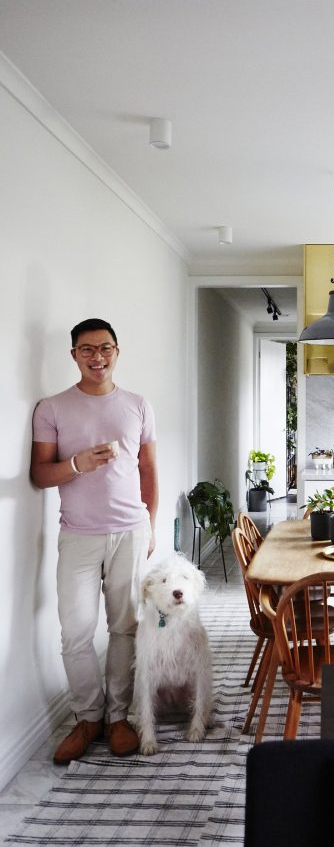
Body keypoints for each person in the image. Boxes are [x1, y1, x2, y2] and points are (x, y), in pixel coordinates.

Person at [31, 318, 158, 763]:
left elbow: (147, 470)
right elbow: (40, 473)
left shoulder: (138, 405)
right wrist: (79, 464)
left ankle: (118, 717)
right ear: (74, 356)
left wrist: (152, 524)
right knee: (75, 633)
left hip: (129, 531)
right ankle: (89, 717)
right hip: (78, 535)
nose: (97, 357)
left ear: (117, 352)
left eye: (105, 348)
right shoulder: (52, 408)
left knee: (124, 626)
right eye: (87, 349)